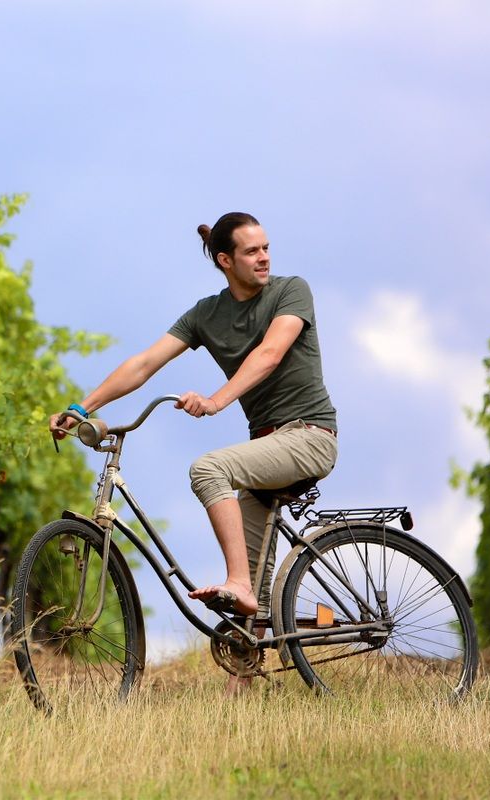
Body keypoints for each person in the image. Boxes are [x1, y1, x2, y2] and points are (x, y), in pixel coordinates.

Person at [49, 212, 338, 686]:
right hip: (266, 447)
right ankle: (241, 687)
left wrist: (217, 400)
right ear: (226, 261)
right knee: (253, 595)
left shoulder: (292, 290)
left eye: (266, 248)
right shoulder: (207, 314)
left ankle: (238, 583)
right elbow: (144, 363)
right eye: (251, 251)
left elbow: (269, 353)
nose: (264, 257)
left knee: (208, 469)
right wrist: (82, 407)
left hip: (309, 436)